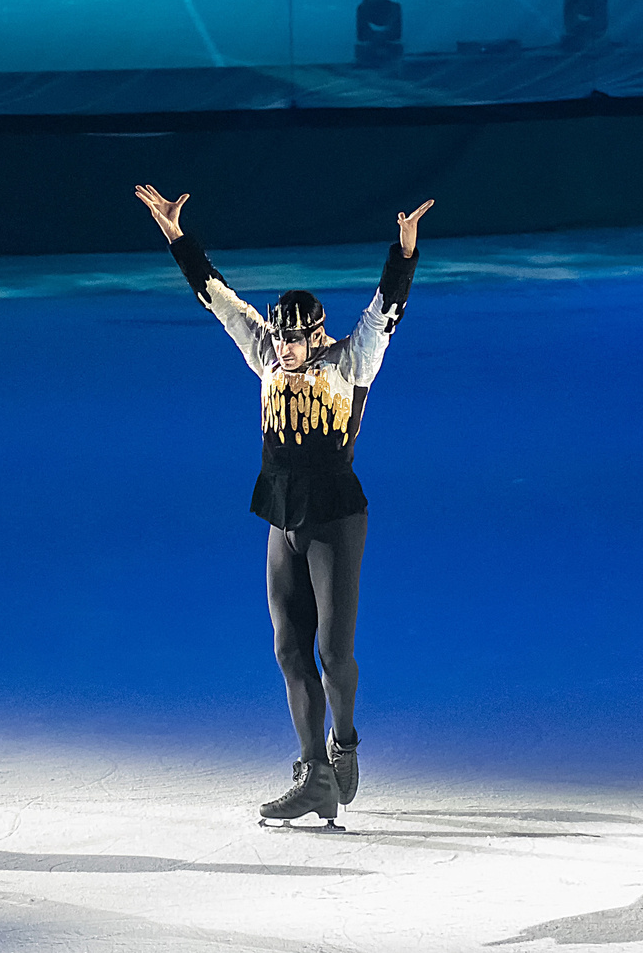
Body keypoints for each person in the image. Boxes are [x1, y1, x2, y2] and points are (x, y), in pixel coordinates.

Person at [134, 183, 433, 829]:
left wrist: (404, 253)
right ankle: (313, 773)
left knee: (333, 653)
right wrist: (178, 237)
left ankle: (344, 742)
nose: (287, 348)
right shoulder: (266, 354)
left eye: (297, 339)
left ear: (317, 334)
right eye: (282, 337)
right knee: (288, 650)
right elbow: (218, 299)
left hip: (335, 516)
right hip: (282, 513)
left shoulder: (350, 361)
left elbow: (386, 310)